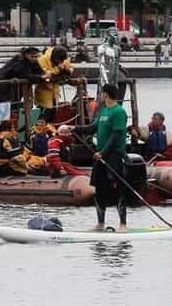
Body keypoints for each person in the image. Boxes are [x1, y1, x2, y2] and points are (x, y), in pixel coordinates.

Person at [75, 84, 130, 232]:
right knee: (99, 189)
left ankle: (123, 225)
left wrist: (103, 153)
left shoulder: (119, 112)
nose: (99, 96)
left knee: (117, 189)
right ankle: (100, 223)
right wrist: (73, 129)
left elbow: (116, 136)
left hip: (113, 155)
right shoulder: (104, 111)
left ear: (105, 94)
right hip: (100, 156)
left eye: (101, 93)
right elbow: (93, 128)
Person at [35, 46, 73, 121]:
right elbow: (46, 74)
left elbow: (70, 69)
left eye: (62, 61)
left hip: (55, 93)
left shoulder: (62, 59)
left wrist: (66, 70)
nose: (60, 62)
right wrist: (58, 69)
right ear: (54, 57)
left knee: (53, 114)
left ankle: (49, 131)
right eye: (59, 60)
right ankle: (39, 131)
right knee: (44, 116)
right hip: (44, 93)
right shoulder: (42, 60)